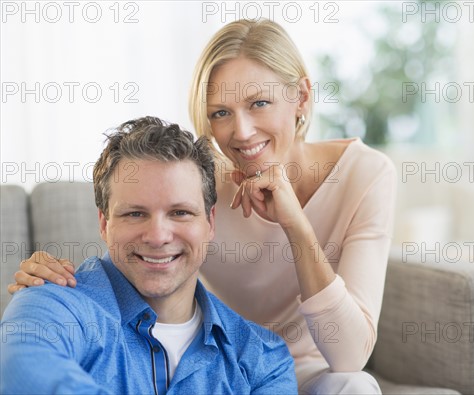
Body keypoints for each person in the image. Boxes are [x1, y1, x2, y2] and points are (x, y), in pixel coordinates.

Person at [9, 18, 397, 394]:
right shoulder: (200, 173)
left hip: (285, 363)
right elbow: (143, 246)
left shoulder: (365, 174)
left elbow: (349, 356)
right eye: (220, 113)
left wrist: (296, 225)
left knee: (355, 387)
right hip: (215, 360)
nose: (242, 133)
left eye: (259, 103)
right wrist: (52, 279)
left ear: (302, 97)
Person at [1, 116, 297, 394]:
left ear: (210, 223)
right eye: (135, 213)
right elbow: (23, 374)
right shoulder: (49, 304)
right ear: (104, 223)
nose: (157, 236)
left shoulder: (263, 361)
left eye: (180, 212)